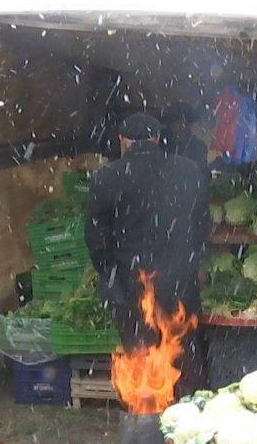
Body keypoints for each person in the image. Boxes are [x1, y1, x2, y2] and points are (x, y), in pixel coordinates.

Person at [84, 113, 210, 396]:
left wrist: (110, 274)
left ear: (122, 141)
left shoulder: (106, 178)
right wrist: (193, 262)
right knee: (184, 350)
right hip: (179, 279)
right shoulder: (189, 171)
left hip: (132, 285)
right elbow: (202, 224)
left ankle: (147, 419)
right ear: (156, 138)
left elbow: (96, 239)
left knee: (140, 355)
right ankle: (189, 414)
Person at [160, 102, 209, 173]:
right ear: (170, 123)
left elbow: (201, 175)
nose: (182, 126)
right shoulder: (159, 143)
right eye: (178, 122)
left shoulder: (199, 148)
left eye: (186, 123)